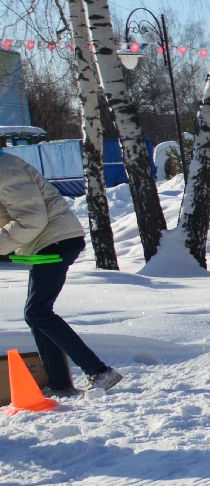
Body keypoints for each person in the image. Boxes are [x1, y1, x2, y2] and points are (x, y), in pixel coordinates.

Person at [0, 153, 121, 398]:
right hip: (48, 242)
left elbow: (32, 218)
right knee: (36, 313)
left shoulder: (5, 169)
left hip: (55, 240)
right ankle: (59, 382)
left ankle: (99, 371)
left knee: (38, 312)